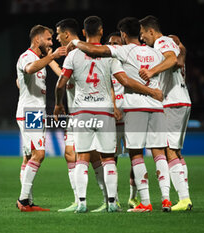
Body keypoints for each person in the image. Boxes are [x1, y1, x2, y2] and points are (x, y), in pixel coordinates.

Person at [56, 16, 163, 213]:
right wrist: (151, 92)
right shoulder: (110, 57)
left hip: (82, 112)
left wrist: (57, 105)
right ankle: (112, 202)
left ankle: (81, 202)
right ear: (102, 31)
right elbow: (126, 82)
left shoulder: (73, 56)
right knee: (108, 158)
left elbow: (60, 84)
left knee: (82, 157)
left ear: (84, 33)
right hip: (104, 111)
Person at [139, 15, 193, 211]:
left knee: (169, 150)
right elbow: (178, 59)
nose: (142, 38)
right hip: (181, 99)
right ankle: (185, 198)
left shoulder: (162, 41)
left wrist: (152, 71)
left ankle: (184, 199)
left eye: (143, 33)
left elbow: (171, 59)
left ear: (151, 31)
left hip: (173, 101)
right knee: (176, 151)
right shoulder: (170, 41)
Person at [16, 24, 66, 212]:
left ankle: (28, 200)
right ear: (37, 40)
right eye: (48, 39)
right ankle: (23, 200)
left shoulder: (39, 59)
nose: (51, 42)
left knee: (28, 157)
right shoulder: (27, 56)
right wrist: (52, 56)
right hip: (30, 113)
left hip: (35, 113)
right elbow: (29, 70)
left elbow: (21, 79)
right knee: (39, 154)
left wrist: (50, 59)